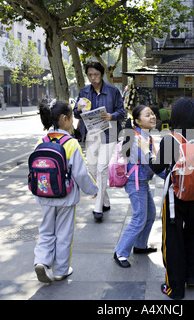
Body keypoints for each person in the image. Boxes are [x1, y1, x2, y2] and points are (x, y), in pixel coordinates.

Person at [139, 97, 194, 300]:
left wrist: (145, 150)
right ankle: (192, 276)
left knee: (173, 240)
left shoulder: (171, 139)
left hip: (176, 198)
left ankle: (174, 289)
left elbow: (157, 167)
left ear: (176, 116)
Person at [33, 100, 98, 284]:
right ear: (64, 119)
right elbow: (80, 173)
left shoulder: (42, 141)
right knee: (64, 233)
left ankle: (42, 262)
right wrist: (92, 190)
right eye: (71, 117)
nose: (72, 121)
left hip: (44, 194)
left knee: (46, 231)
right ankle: (61, 270)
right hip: (65, 196)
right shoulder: (70, 143)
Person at [73, 61, 125, 221]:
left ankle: (98, 207)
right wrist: (78, 110)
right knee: (93, 169)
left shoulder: (112, 91)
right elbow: (75, 114)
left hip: (109, 135)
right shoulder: (84, 92)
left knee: (102, 167)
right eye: (90, 75)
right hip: (91, 135)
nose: (93, 78)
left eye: (96, 74)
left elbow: (122, 111)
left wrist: (112, 116)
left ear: (101, 74)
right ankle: (105, 200)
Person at [113, 105, 161, 268]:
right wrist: (167, 173)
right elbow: (151, 164)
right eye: (148, 115)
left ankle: (140, 245)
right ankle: (120, 252)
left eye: (153, 114)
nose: (152, 117)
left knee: (150, 213)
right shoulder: (140, 139)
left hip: (141, 181)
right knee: (139, 217)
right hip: (136, 182)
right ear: (138, 121)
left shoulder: (143, 135)